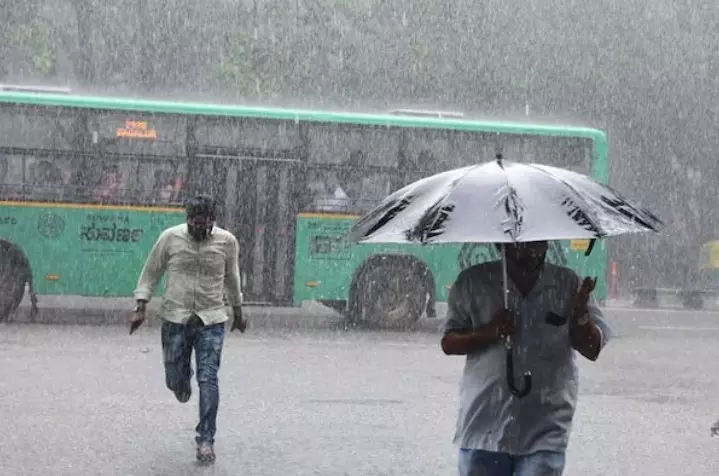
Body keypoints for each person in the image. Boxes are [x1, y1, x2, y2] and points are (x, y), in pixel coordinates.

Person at [440, 241, 612, 476]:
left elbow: (592, 349)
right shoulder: (472, 282)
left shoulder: (568, 284)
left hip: (544, 427)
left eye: (538, 243)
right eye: (520, 245)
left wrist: (580, 316)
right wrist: (489, 332)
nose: (532, 250)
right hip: (483, 425)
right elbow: (449, 342)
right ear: (501, 245)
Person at [128, 194, 246, 464]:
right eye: (194, 223)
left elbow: (232, 277)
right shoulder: (170, 238)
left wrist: (238, 311)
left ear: (212, 222)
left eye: (204, 224)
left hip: (212, 319)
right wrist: (140, 306)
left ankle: (206, 440)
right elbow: (151, 272)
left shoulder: (226, 242)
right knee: (175, 380)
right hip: (175, 318)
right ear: (187, 219)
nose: (198, 229)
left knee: (209, 379)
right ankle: (181, 382)